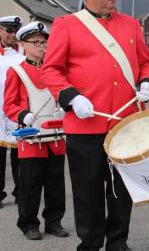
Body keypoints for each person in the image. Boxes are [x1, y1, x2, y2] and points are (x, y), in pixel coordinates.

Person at [41, 0, 149, 251]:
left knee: (121, 191)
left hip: (124, 124)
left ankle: (118, 243)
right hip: (85, 125)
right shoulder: (67, 24)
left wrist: (146, 81)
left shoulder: (130, 24)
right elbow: (51, 70)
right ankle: (90, 245)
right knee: (88, 192)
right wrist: (71, 97)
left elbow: (146, 62)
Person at [4, 22, 68, 240]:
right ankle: (28, 223)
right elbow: (9, 105)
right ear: (23, 44)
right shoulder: (17, 71)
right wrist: (23, 116)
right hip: (31, 138)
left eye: (44, 42)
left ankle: (54, 221)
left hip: (56, 136)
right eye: (36, 43)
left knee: (56, 184)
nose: (42, 47)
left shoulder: (55, 71)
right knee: (30, 184)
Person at [0, 15, 24, 209]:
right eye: (8, 30)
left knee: (20, 156)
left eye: (16, 31)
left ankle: (21, 192)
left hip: (17, 109)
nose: (12, 35)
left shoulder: (24, 53)